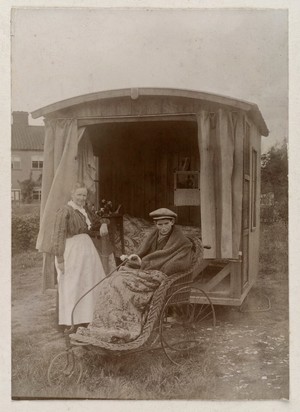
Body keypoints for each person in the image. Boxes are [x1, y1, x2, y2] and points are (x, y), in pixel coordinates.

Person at [73, 208, 194, 344]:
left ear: (172, 222)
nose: (163, 227)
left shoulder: (182, 242)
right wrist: (136, 260)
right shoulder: (154, 235)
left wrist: (150, 265)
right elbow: (142, 253)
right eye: (160, 224)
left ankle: (126, 328)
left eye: (166, 223)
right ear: (155, 224)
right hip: (145, 271)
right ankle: (104, 327)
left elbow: (181, 264)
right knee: (112, 281)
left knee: (122, 284)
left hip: (159, 276)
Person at [52, 182, 108, 329]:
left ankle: (87, 317)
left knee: (89, 282)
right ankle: (71, 322)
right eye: (79, 194)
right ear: (72, 195)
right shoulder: (65, 211)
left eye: (84, 195)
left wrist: (103, 223)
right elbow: (58, 235)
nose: (82, 198)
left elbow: (97, 221)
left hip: (87, 250)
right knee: (73, 284)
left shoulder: (86, 210)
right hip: (72, 250)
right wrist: (60, 259)